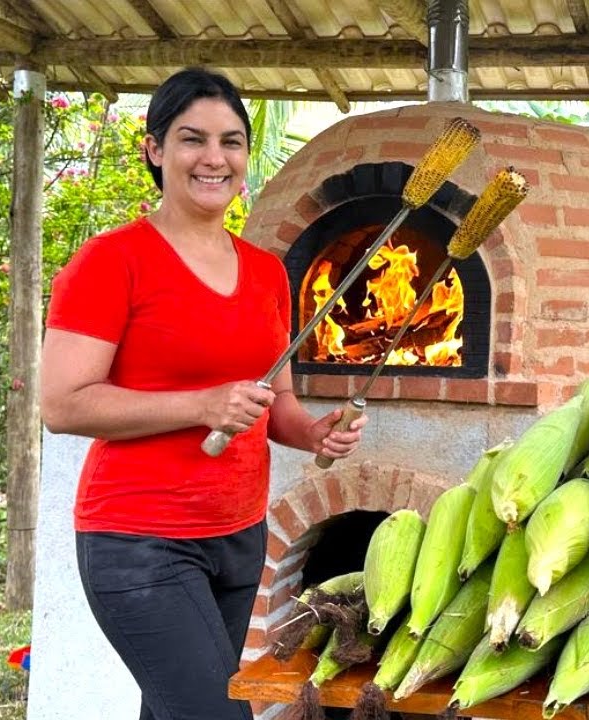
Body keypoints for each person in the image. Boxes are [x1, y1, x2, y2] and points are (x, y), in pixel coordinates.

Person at [40, 67, 367, 720]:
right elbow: (62, 404)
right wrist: (200, 405)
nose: (214, 158)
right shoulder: (111, 263)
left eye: (231, 141)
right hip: (138, 541)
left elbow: (279, 405)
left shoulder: (267, 273)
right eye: (192, 139)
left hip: (238, 536)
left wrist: (313, 432)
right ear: (154, 149)